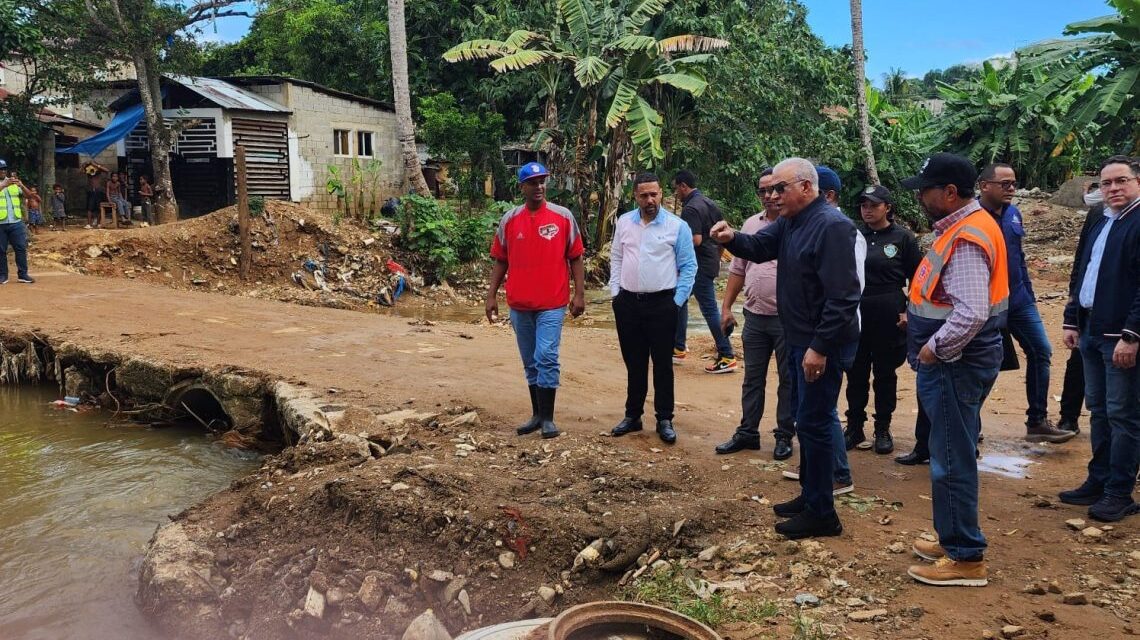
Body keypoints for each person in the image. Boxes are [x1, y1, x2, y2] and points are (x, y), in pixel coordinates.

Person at [710, 157, 861, 539]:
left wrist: (820, 347)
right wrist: (732, 239)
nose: (773, 196)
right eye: (771, 189)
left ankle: (823, 513)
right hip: (798, 340)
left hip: (817, 345)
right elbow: (759, 247)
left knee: (815, 421)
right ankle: (810, 497)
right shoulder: (792, 222)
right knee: (805, 420)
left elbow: (843, 298)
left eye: (781, 188)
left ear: (807, 188)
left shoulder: (833, 227)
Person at [901, 153, 1009, 587]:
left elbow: (970, 313)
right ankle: (952, 537)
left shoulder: (966, 236)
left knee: (951, 457)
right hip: (964, 361)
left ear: (949, 193)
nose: (920, 198)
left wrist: (932, 350)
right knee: (952, 449)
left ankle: (965, 555)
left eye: (925, 190)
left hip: (955, 364)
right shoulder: (967, 227)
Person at [1058, 155, 1140, 523]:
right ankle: (1098, 478)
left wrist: (1132, 335)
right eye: (1106, 183)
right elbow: (1081, 270)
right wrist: (1071, 319)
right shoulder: (1099, 220)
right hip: (1091, 329)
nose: (1113, 189)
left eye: (1121, 181)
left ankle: (1119, 491)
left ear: (1137, 181)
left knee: (1124, 414)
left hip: (1120, 336)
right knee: (1100, 410)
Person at [486, 162, 586, 440]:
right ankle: (536, 415)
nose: (539, 186)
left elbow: (575, 256)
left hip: (552, 302)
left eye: (542, 181)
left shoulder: (562, 217)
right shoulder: (510, 220)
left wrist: (579, 293)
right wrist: (491, 295)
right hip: (518, 304)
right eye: (532, 182)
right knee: (530, 361)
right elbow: (500, 260)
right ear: (522, 187)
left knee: (546, 356)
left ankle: (549, 418)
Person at [978, 163, 1075, 444]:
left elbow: (1018, 258)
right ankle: (969, 424)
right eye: (1004, 184)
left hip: (1019, 300)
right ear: (984, 186)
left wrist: (1030, 294)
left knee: (1041, 350)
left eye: (1013, 183)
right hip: (987, 305)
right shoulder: (970, 217)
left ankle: (1037, 421)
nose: (1011, 188)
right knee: (986, 363)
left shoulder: (1014, 214)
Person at [609, 172, 697, 445]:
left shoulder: (676, 226)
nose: (650, 200)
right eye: (644, 195)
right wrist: (615, 294)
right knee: (634, 362)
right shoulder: (624, 222)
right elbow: (616, 257)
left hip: (663, 304)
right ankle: (633, 415)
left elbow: (689, 266)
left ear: (661, 194)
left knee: (662, 365)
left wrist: (676, 302)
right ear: (635, 195)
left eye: (654, 194)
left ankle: (664, 418)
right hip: (628, 303)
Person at [716, 168, 795, 459]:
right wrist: (726, 308)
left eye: (773, 190)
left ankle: (784, 435)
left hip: (787, 320)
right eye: (761, 191)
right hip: (754, 316)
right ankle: (748, 432)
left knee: (788, 379)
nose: (767, 196)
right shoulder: (750, 224)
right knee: (752, 378)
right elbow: (738, 269)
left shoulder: (794, 224)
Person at [843, 185, 922, 455]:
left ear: (887, 207)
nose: (867, 210)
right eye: (864, 205)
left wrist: (909, 311)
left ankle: (883, 428)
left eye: (873, 205)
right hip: (857, 312)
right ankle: (854, 426)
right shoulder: (853, 235)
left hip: (889, 312)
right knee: (855, 372)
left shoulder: (902, 238)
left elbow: (919, 279)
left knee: (885, 374)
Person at [672, 170, 736, 373]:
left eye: (676, 188)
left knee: (709, 309)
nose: (676, 193)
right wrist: (716, 259)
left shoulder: (691, 208)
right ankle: (678, 346)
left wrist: (670, 245)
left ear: (683, 186)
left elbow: (695, 240)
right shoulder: (709, 203)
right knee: (679, 299)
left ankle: (727, 354)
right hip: (709, 262)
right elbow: (723, 233)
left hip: (696, 265)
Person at [1057, 181, 1106, 434]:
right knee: (1079, 362)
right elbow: (1082, 259)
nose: (1113, 188)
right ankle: (1068, 416)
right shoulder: (1098, 214)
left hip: (1124, 315)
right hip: (1089, 308)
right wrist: (1072, 302)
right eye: (1107, 182)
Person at [0, 162, 34, 284]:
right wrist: (3, 185)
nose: (3, 171)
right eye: (1, 169)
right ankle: (3, 276)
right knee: (1, 250)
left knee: (20, 248)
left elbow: (29, 196)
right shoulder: (5, 183)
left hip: (16, 222)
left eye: (4, 169)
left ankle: (23, 274)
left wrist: (22, 185)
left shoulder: (13, 183)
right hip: (0, 224)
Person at [83, 161, 109, 228]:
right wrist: (85, 165)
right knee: (89, 208)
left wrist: (96, 165)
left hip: (99, 191)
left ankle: (98, 223)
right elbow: (79, 172)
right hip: (91, 191)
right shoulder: (88, 172)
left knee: (99, 208)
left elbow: (107, 170)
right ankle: (89, 224)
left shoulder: (99, 172)